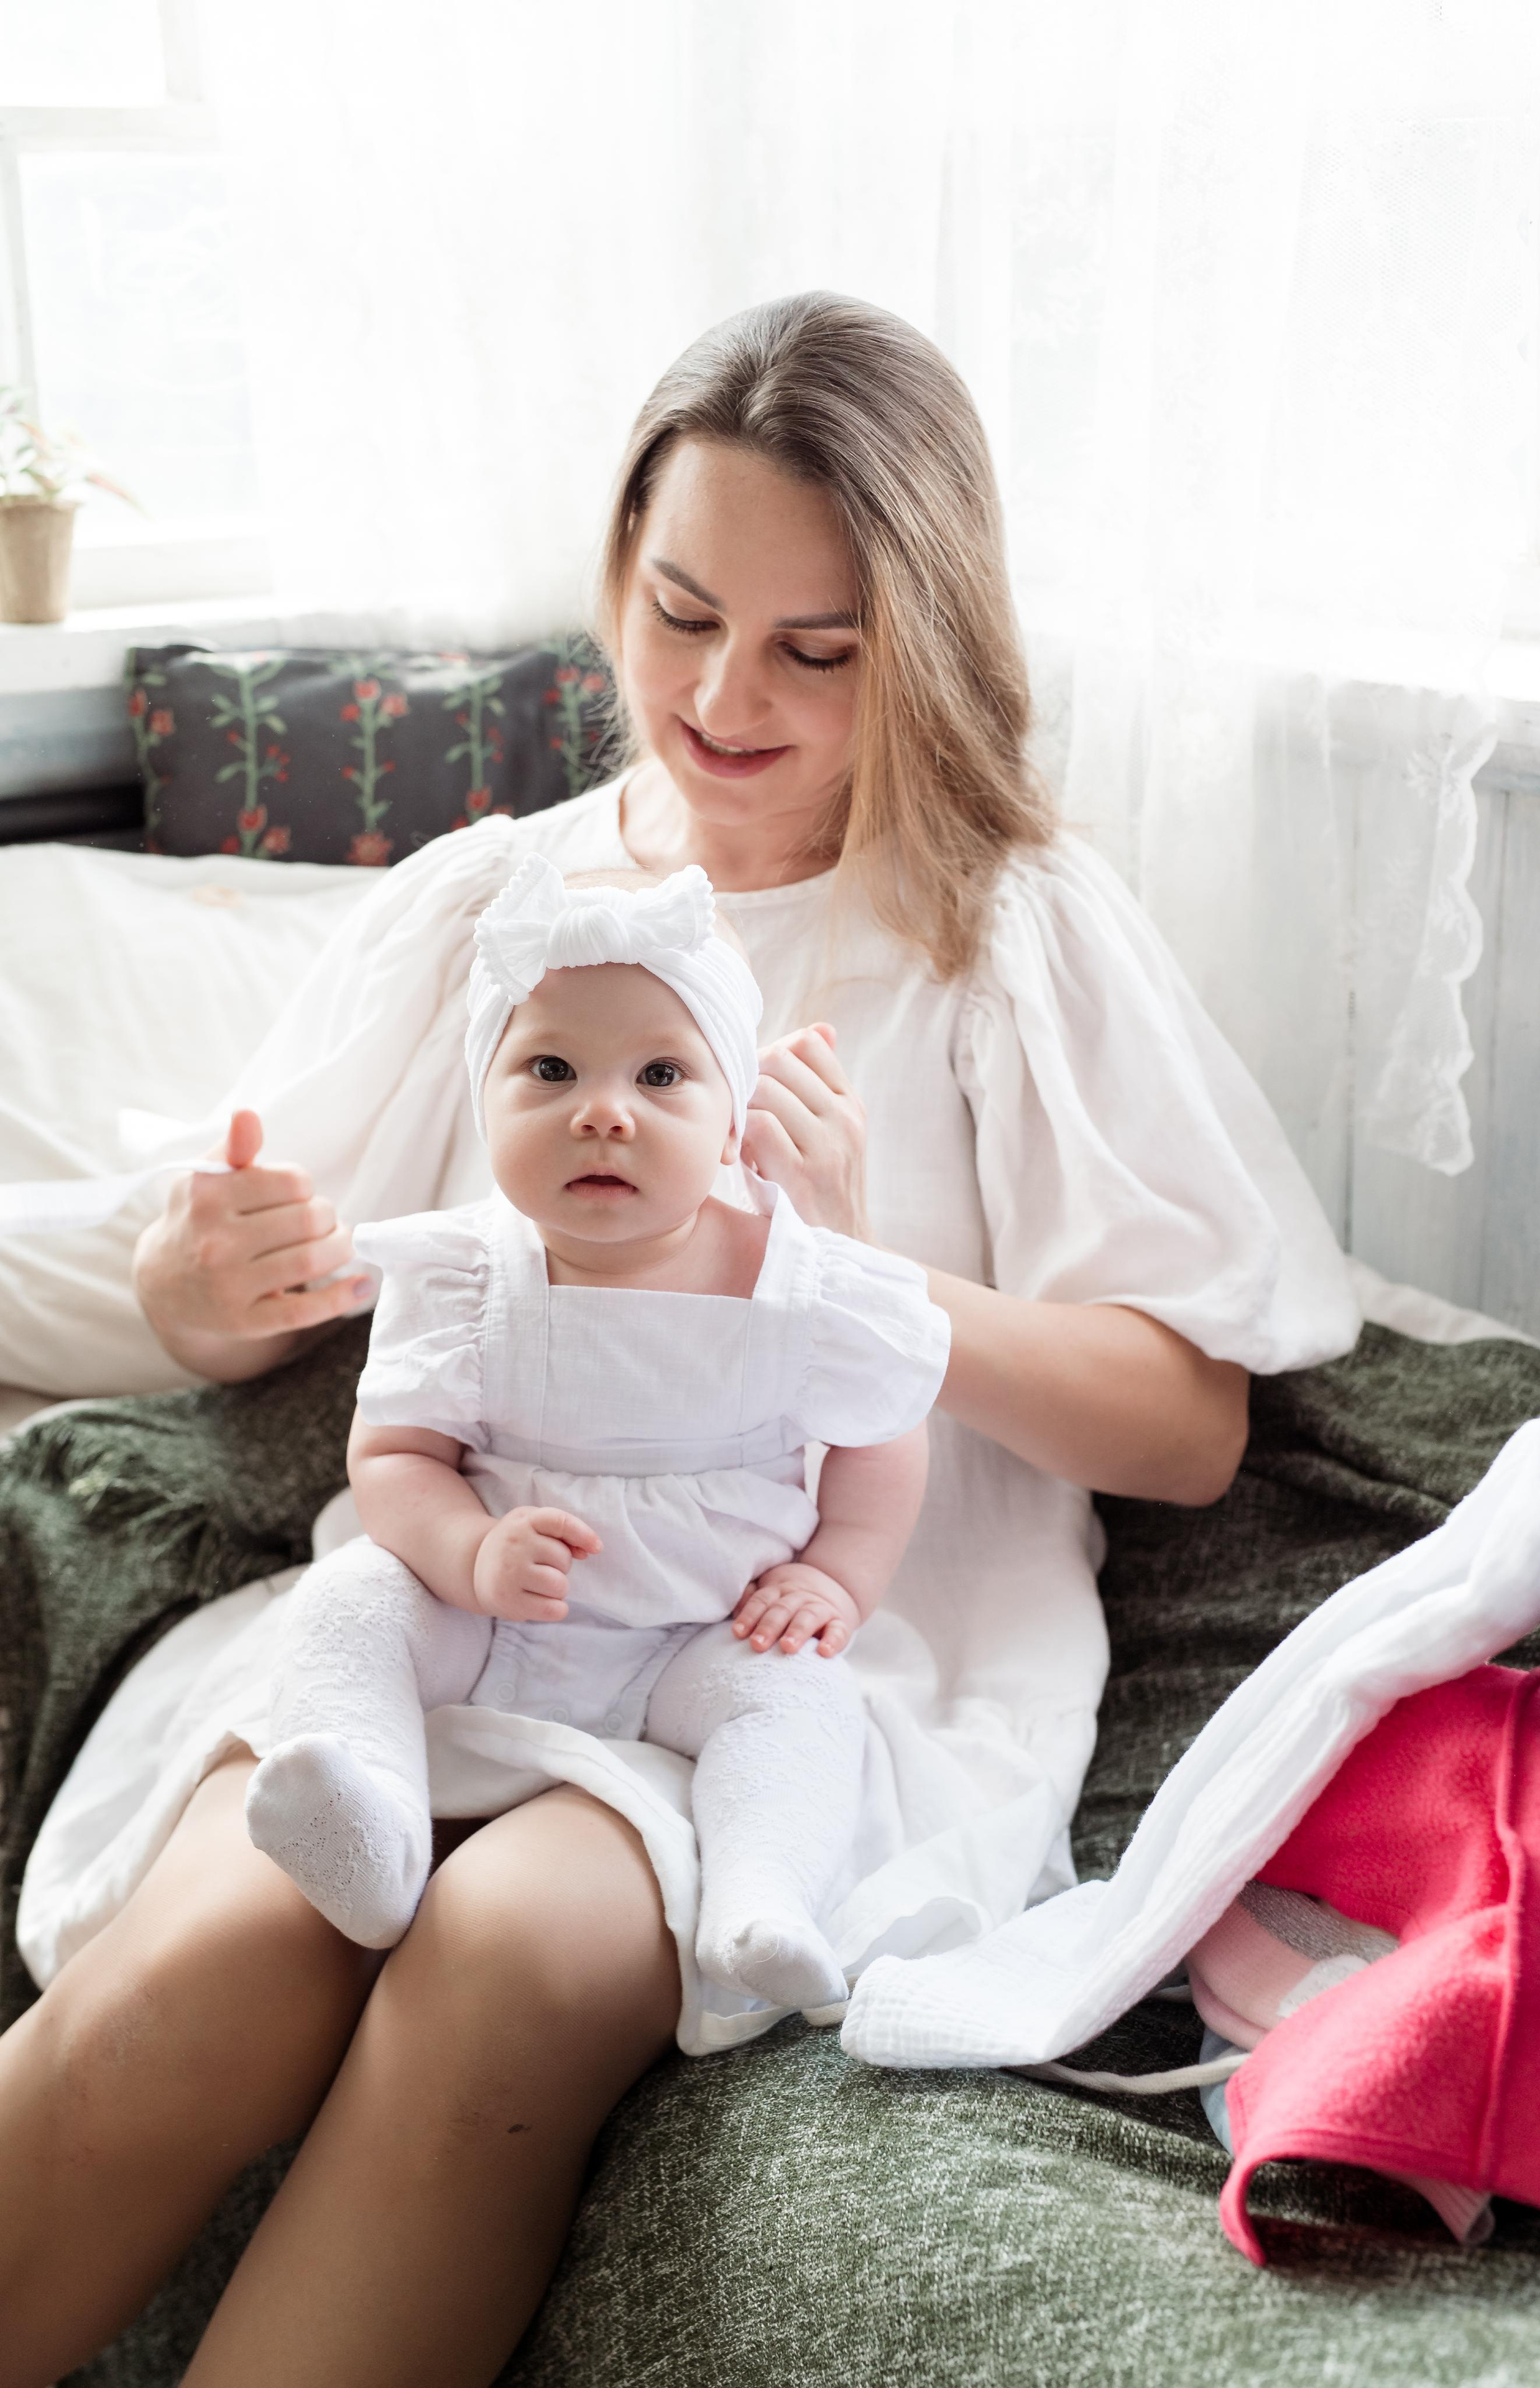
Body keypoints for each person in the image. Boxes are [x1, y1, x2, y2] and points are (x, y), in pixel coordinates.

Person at [0, 292, 1357, 2388]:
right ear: (616, 566)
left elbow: (1183, 1423)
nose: (726, 699)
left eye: (820, 652)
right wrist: (197, 1292)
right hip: (465, 1584)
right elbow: (230, 1246)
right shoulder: (497, 912)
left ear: (925, 639)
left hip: (818, 1646)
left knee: (504, 1965)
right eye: (681, 612)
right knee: (220, 1956)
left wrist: (844, 1281)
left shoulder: (1005, 928)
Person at [247, 851, 947, 2012]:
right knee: (349, 1600)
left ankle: (763, 1894)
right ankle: (363, 1818)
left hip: (700, 1634)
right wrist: (469, 1550)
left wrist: (838, 1576)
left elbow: (885, 1435)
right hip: (487, 1618)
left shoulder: (798, 1282)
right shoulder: (466, 1277)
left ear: (733, 1125)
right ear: (486, 1104)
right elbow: (395, 1459)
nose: (604, 1110)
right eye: (551, 1069)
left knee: (804, 1702)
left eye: (662, 1074)